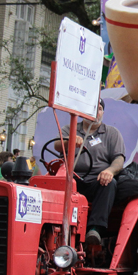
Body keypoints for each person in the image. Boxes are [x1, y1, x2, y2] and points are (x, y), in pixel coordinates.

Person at [53, 98, 125, 246]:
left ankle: (95, 229)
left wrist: (110, 171)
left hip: (96, 181)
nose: (95, 112)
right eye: (91, 108)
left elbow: (119, 159)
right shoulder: (70, 129)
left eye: (98, 108)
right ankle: (52, 227)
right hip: (71, 179)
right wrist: (71, 140)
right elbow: (57, 145)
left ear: (102, 112)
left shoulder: (111, 133)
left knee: (110, 183)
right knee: (52, 183)